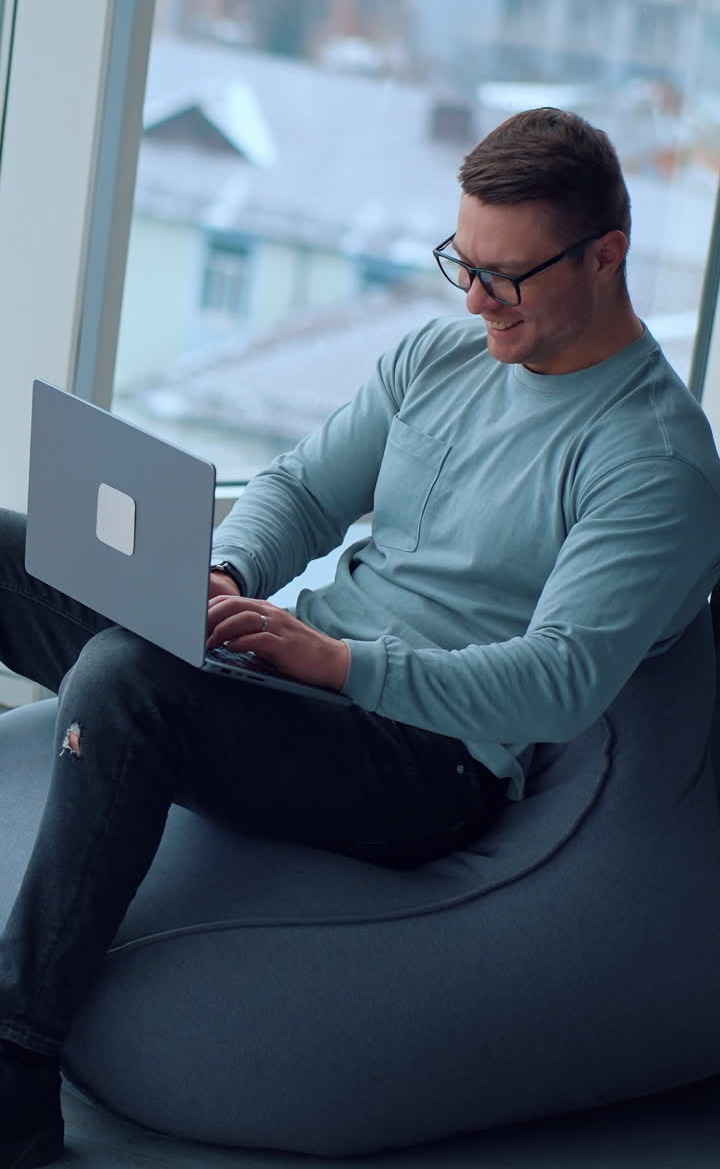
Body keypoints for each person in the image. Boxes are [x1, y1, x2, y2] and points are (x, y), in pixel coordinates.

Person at [2, 105, 720, 1167]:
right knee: (18, 548)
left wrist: (335, 661)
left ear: (606, 257)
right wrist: (229, 573)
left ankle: (16, 1070)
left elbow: (560, 683)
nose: (475, 299)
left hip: (423, 762)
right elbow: (301, 486)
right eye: (461, 264)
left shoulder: (652, 462)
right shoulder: (443, 355)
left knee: (126, 679)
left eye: (504, 277)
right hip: (302, 677)